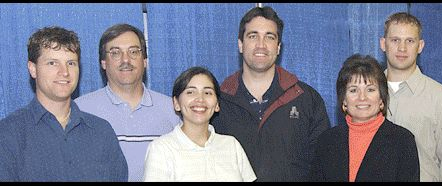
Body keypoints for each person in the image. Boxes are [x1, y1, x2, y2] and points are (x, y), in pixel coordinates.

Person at [211, 6, 331, 182]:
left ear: (278, 47)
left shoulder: (306, 99)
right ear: (240, 45)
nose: (261, 44)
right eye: (253, 36)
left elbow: (323, 165)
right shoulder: (218, 101)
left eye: (269, 37)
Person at [0, 26, 127, 181]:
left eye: (71, 63)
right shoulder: (8, 134)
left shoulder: (101, 132)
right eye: (52, 63)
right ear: (33, 69)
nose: (64, 72)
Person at [75, 23, 180, 182]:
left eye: (133, 52)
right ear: (103, 62)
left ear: (144, 60)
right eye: (115, 53)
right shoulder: (80, 110)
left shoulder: (173, 111)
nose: (126, 60)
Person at [379, 12, 442, 182]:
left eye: (410, 41)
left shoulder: (441, 98)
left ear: (420, 46)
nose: (402, 48)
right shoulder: (365, 98)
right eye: (395, 40)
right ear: (383, 44)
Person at [310, 54, 419, 182]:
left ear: (381, 99)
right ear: (344, 100)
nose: (362, 97)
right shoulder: (326, 141)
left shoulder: (403, 141)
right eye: (353, 90)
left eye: (370, 90)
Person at [143, 67, 256, 182]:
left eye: (207, 93)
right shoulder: (161, 149)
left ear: (217, 104)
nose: (200, 99)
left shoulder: (232, 145)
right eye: (191, 92)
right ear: (176, 103)